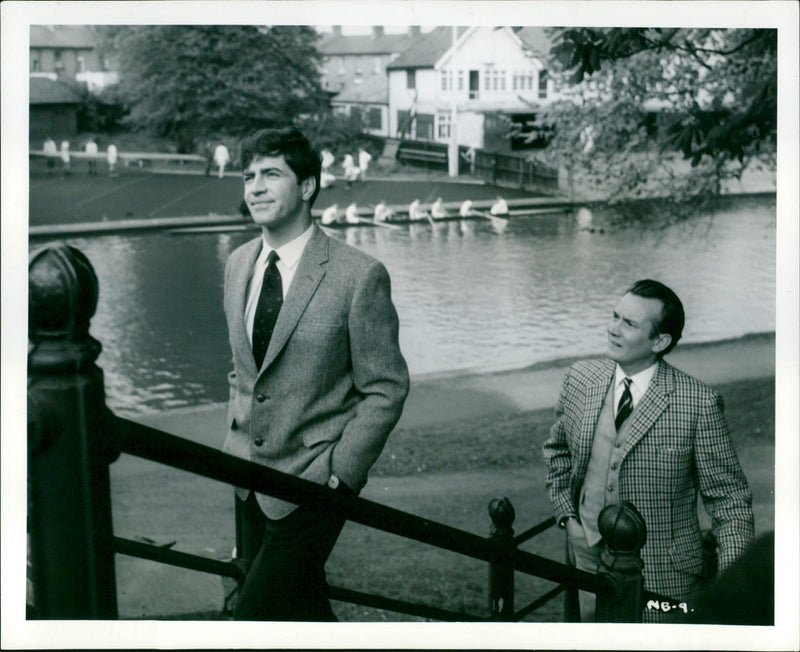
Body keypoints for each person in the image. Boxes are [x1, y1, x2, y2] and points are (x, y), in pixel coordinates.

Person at [222, 126, 409, 621]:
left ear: (307, 186)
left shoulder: (358, 274)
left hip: (314, 481)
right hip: (246, 477)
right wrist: (235, 434)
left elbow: (386, 388)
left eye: (270, 174)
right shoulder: (238, 264)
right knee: (299, 609)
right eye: (248, 177)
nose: (255, 188)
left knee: (253, 618)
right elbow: (243, 369)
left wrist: (342, 473)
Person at [542, 279, 754, 622]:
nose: (612, 329)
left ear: (660, 341)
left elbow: (730, 502)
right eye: (614, 316)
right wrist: (569, 519)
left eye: (628, 323)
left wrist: (731, 585)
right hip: (586, 556)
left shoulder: (698, 403)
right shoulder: (579, 379)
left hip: (663, 575)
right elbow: (557, 453)